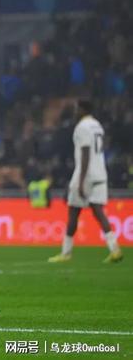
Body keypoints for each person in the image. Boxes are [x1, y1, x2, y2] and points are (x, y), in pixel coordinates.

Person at [49, 99, 123, 264]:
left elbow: (85, 152)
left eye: (77, 109)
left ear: (83, 110)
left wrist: (81, 181)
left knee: (73, 212)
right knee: (99, 212)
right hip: (100, 173)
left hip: (85, 175)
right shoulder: (97, 125)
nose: (75, 112)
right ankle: (115, 249)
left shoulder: (82, 127)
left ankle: (66, 253)